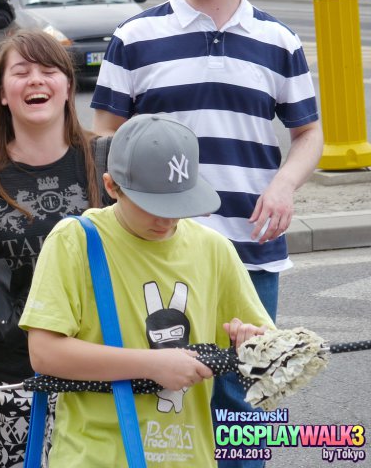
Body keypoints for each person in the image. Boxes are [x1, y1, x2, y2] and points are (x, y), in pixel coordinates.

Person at [90, 0, 322, 468]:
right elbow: (105, 143)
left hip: (250, 251)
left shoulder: (278, 41)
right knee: (164, 401)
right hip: (155, 255)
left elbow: (309, 135)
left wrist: (285, 184)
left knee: (245, 402)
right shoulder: (136, 37)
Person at [21, 115, 273, 468]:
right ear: (112, 186)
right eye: (154, 205)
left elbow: (271, 355)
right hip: (94, 456)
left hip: (190, 456)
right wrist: (153, 364)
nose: (167, 219)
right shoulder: (75, 240)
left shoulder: (213, 249)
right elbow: (44, 354)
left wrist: (250, 344)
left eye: (180, 203)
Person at [0, 30, 109, 468]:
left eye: (49, 70)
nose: (36, 80)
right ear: (2, 93)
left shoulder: (105, 158)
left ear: (67, 86)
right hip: (6, 366)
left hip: (98, 356)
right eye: (21, 72)